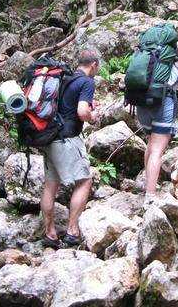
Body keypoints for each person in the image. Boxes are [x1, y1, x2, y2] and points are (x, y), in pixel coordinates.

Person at [40, 49, 100, 248]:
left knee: (50, 185)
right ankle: (72, 231)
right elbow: (82, 112)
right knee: (84, 181)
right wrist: (92, 116)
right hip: (67, 139)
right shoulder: (87, 82)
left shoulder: (64, 78)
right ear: (94, 65)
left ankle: (50, 234)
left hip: (49, 137)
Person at [136, 41, 178, 196]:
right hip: (163, 104)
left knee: (151, 143)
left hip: (141, 103)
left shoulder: (151, 58)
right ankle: (150, 195)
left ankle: (147, 184)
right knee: (157, 150)